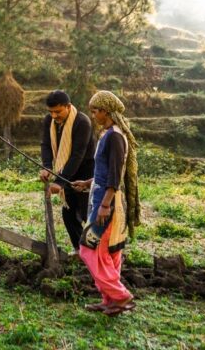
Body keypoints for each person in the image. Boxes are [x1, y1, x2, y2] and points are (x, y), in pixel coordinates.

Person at [71, 90, 141, 317]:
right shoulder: (111, 134)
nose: (93, 115)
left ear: (106, 111)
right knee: (110, 253)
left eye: (95, 111)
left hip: (107, 204)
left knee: (88, 248)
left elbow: (114, 175)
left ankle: (120, 296)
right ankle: (109, 300)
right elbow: (107, 172)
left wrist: (105, 205)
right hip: (104, 198)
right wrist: (88, 182)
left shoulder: (114, 137)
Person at [40, 90, 95, 254]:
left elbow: (78, 154)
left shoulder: (82, 122)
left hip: (85, 172)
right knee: (69, 214)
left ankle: (100, 252)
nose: (54, 115)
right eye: (51, 112)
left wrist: (59, 182)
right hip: (64, 171)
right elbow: (46, 144)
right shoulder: (49, 121)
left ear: (68, 106)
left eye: (58, 111)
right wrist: (47, 166)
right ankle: (81, 250)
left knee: (87, 214)